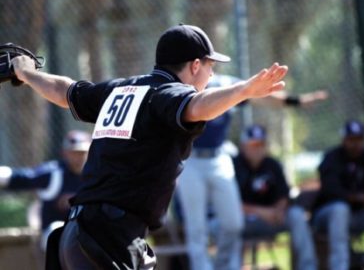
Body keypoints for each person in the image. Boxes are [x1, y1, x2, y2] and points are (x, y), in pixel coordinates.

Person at [11, 23, 289, 270]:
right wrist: (243, 91)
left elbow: (66, 91)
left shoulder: (119, 90)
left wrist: (27, 74)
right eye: (210, 66)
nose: (211, 74)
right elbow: (197, 107)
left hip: (82, 235)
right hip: (109, 239)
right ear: (194, 66)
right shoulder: (169, 94)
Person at [176, 73, 327, 270]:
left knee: (233, 224)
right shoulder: (185, 84)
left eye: (209, 60)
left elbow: (261, 95)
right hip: (191, 157)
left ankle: (223, 267)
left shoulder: (225, 83)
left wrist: (296, 101)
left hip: (218, 155)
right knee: (196, 227)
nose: (207, 64)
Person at [232, 124, 317, 270]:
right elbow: (231, 204)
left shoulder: (273, 165)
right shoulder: (232, 166)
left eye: (261, 144)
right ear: (243, 146)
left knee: (296, 215)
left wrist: (278, 209)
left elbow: (284, 194)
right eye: (253, 144)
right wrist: (262, 212)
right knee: (230, 223)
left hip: (273, 218)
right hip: (244, 220)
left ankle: (308, 267)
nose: (257, 148)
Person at [312, 120, 364, 270]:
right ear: (344, 140)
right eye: (351, 140)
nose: (355, 144)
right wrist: (362, 198)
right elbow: (331, 191)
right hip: (328, 216)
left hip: (362, 215)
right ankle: (340, 267)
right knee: (340, 210)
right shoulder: (332, 158)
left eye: (358, 139)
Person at [0, 130, 90, 251]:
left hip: (86, 233)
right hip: (55, 235)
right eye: (74, 152)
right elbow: (21, 178)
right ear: (65, 153)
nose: (78, 157)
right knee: (56, 231)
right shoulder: (53, 174)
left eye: (82, 152)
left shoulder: (97, 176)